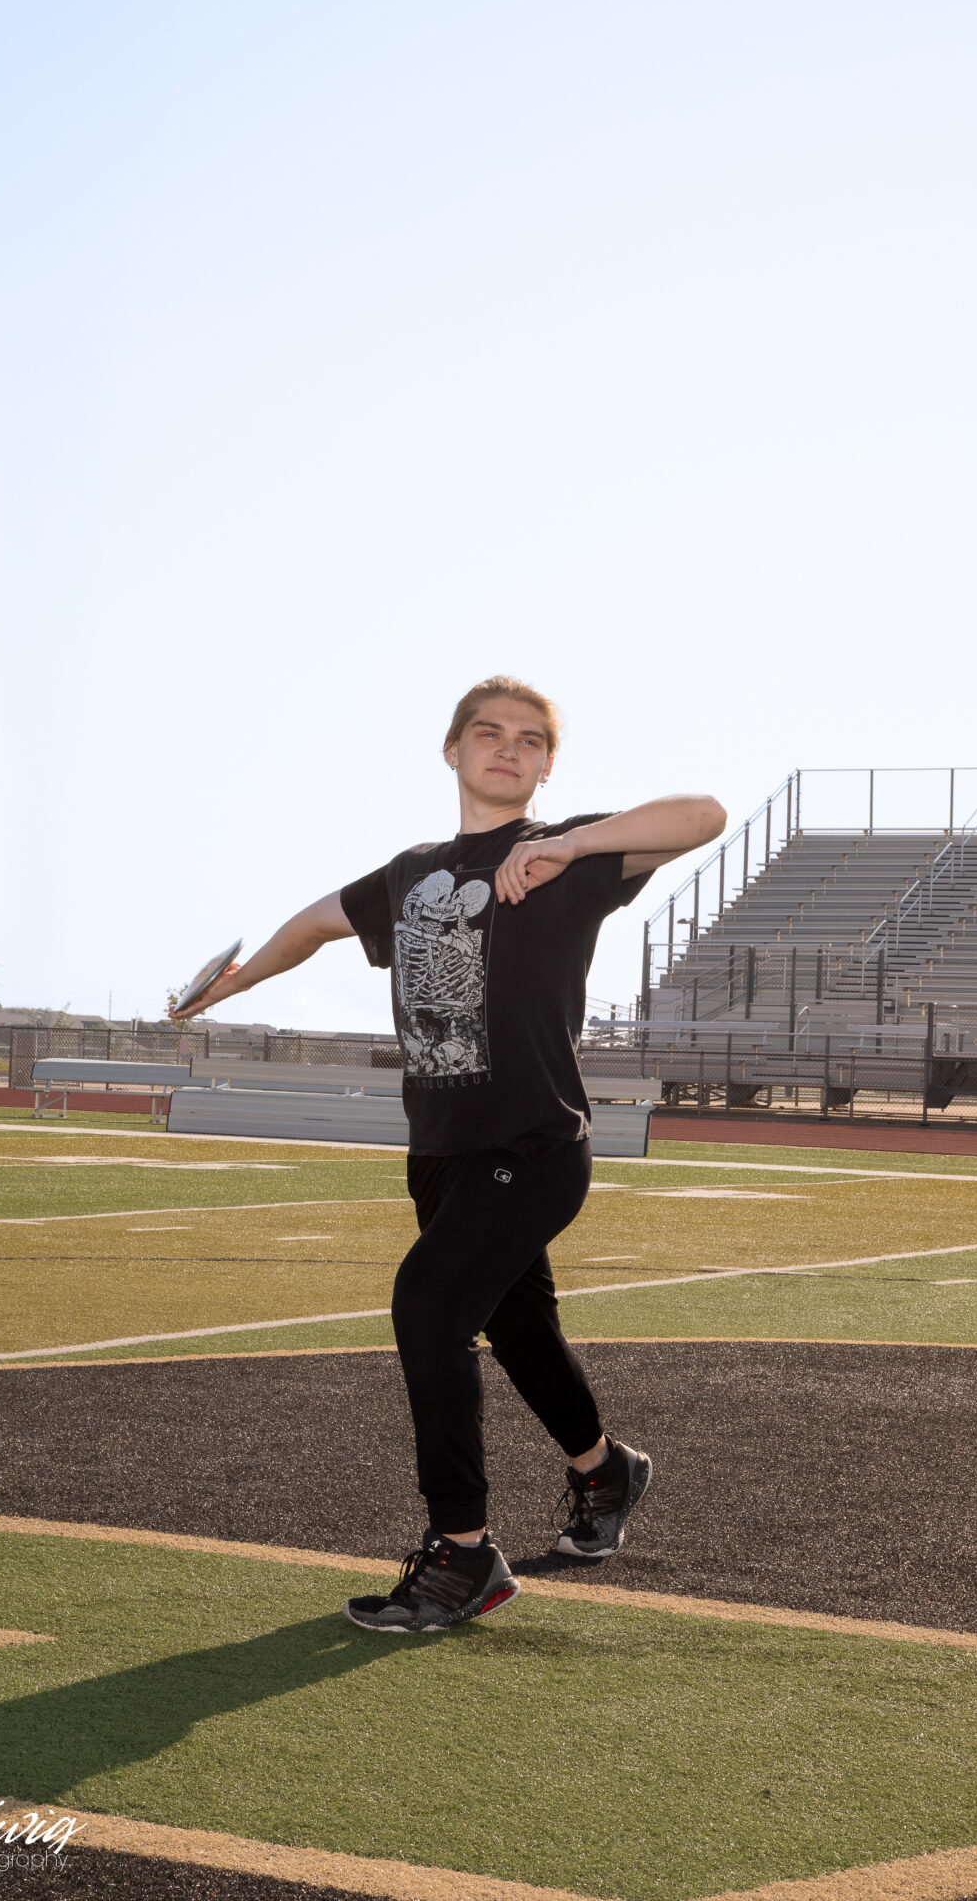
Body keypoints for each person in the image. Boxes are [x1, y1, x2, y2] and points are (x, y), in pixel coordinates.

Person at [175, 676, 725, 1633]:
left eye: (528, 740)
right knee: (516, 1329)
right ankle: (606, 1469)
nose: (507, 750)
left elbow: (706, 814)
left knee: (428, 1307)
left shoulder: (575, 854)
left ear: (548, 764)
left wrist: (565, 844)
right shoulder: (409, 871)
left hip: (537, 1141)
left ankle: (464, 1554)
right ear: (452, 750)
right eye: (488, 734)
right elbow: (313, 923)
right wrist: (236, 980)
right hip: (440, 1151)